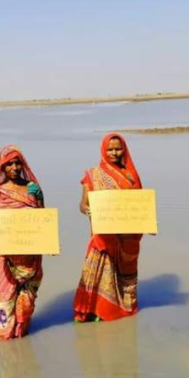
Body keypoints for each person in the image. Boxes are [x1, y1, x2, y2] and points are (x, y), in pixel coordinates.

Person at [73, 133, 143, 323]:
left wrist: (147, 221)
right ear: (103, 150)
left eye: (117, 149)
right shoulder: (93, 175)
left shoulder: (131, 176)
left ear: (124, 150)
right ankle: (98, 310)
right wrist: (86, 208)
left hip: (127, 236)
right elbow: (82, 203)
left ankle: (125, 308)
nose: (114, 153)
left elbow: (140, 205)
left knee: (126, 272)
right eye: (110, 149)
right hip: (103, 235)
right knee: (100, 269)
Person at [0, 145, 44, 340]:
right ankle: (6, 338)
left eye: (17, 162)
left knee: (26, 303)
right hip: (5, 257)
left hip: (30, 257)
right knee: (6, 301)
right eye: (9, 164)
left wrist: (49, 243)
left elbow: (44, 220)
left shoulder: (33, 189)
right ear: (1, 167)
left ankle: (22, 338)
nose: (14, 167)